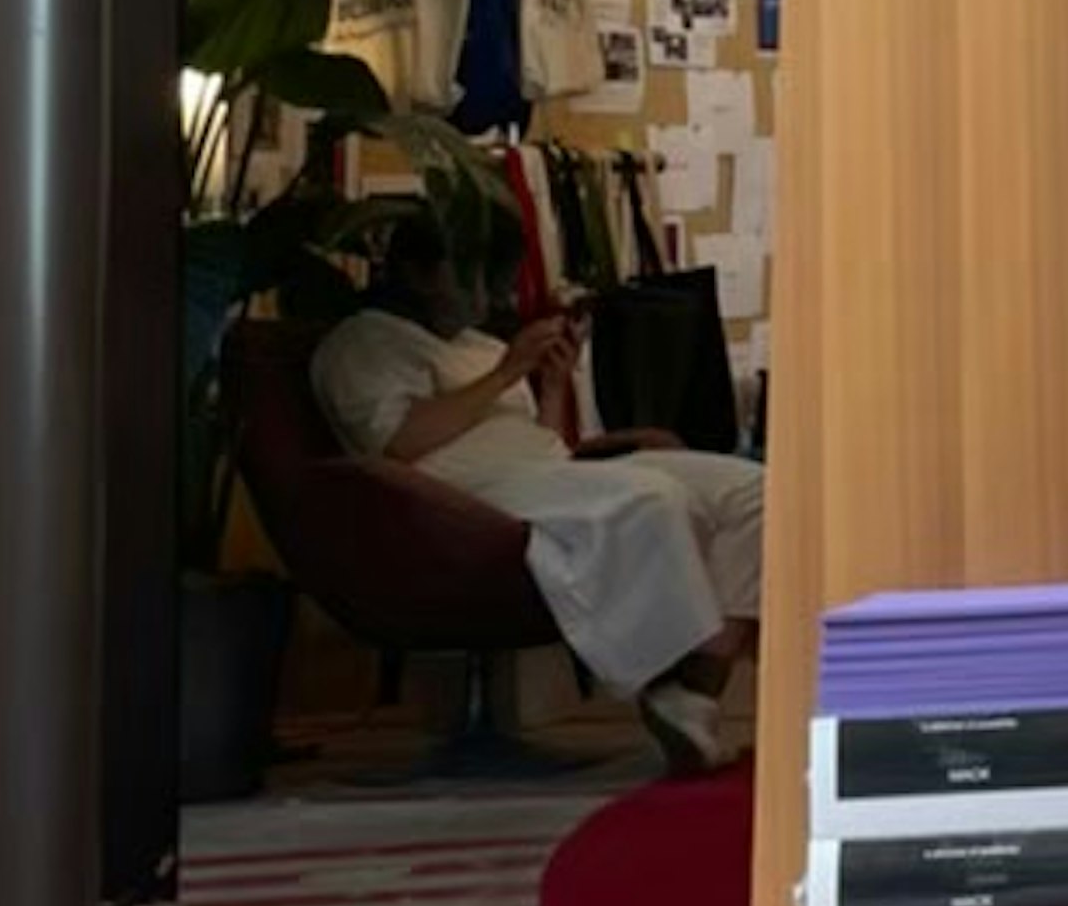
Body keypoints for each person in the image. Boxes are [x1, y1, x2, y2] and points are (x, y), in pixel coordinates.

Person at [310, 212, 763, 773]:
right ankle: (662, 677)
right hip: (457, 495)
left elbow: (539, 443)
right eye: (471, 276)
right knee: (650, 499)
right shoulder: (364, 342)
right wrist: (506, 371)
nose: (487, 294)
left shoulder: (476, 343)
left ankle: (694, 691)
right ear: (417, 272)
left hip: (544, 471)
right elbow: (400, 443)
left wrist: (550, 382)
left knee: (753, 491)